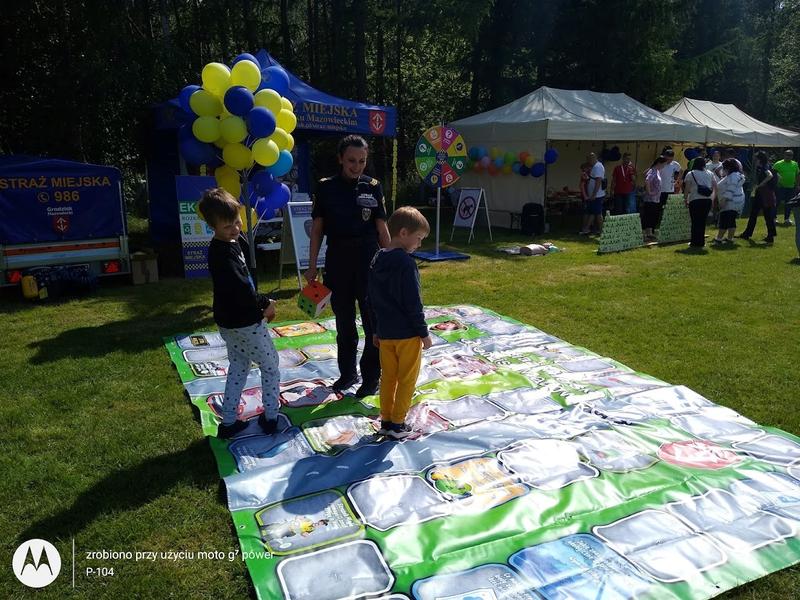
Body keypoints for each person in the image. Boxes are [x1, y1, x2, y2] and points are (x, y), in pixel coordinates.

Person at [306, 135, 390, 397]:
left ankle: (371, 377)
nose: (357, 166)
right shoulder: (325, 187)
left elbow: (381, 228)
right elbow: (318, 230)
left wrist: (391, 261)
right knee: (344, 323)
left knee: (372, 323)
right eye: (352, 160)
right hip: (338, 261)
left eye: (362, 161)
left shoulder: (373, 186)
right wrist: (311, 266)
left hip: (368, 261)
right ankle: (347, 373)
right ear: (340, 158)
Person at [199, 188, 280, 439]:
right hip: (245, 323)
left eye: (237, 222)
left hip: (229, 323)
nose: (235, 229)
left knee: (239, 365)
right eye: (227, 227)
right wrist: (265, 303)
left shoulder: (230, 244)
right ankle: (271, 417)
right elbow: (241, 288)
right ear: (213, 227)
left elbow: (244, 282)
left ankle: (230, 421)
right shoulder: (222, 253)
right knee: (271, 366)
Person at [368, 206, 433, 440]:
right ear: (404, 233)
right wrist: (423, 333)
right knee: (406, 379)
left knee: (388, 378)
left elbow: (371, 299)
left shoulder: (377, 258)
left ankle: (385, 419)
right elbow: (413, 303)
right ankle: (397, 424)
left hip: (385, 334)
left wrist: (376, 329)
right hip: (407, 335)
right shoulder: (406, 263)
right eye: (419, 239)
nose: (420, 244)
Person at [740, 151, 777, 244]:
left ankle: (749, 234)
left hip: (763, 193)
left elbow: (770, 175)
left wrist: (761, 184)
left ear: (759, 159)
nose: (754, 160)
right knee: (761, 214)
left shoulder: (764, 167)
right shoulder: (764, 166)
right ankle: (769, 235)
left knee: (761, 214)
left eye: (755, 158)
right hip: (763, 193)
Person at [682, 157, 715, 248]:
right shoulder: (710, 173)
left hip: (695, 199)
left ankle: (694, 242)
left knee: (695, 221)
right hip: (707, 200)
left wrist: (685, 199)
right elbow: (713, 186)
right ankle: (701, 241)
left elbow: (687, 188)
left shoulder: (690, 173)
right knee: (702, 221)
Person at [712, 158, 746, 245]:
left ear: (728, 168)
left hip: (730, 202)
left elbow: (730, 190)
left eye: (724, 168)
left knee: (724, 221)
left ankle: (719, 239)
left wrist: (723, 201)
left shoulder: (733, 176)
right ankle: (730, 238)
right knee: (731, 221)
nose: (723, 170)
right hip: (736, 202)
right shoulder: (735, 175)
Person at [641, 156, 669, 242]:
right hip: (650, 199)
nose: (664, 166)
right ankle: (644, 234)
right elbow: (647, 180)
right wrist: (649, 192)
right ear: (659, 163)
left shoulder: (657, 171)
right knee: (648, 216)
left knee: (652, 216)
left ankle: (649, 233)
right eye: (664, 164)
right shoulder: (652, 171)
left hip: (656, 199)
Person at [579, 152, 605, 235]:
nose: (588, 161)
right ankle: (588, 228)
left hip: (596, 195)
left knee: (597, 213)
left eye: (589, 160)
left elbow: (598, 181)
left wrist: (594, 194)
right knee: (593, 212)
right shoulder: (595, 167)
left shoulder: (597, 167)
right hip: (593, 195)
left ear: (592, 158)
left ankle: (601, 230)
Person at [772, 149, 799, 226]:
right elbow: (773, 175)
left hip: (791, 187)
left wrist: (797, 185)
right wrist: (776, 184)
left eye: (790, 155)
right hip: (780, 187)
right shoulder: (778, 164)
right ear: (784, 155)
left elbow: (797, 174)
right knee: (777, 202)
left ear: (792, 156)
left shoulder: (795, 164)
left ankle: (787, 219)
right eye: (787, 155)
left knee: (789, 203)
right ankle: (774, 218)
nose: (788, 156)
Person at [659, 148, 682, 215]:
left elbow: (681, 171)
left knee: (668, 206)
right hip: (660, 189)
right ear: (664, 156)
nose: (669, 161)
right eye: (668, 159)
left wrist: (677, 180)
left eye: (671, 159)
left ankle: (666, 218)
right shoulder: (660, 163)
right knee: (659, 206)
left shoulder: (675, 164)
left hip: (670, 189)